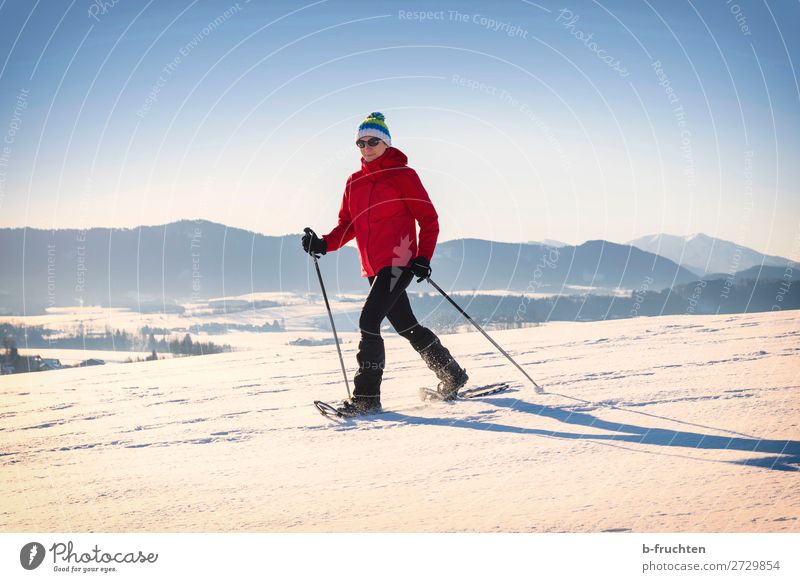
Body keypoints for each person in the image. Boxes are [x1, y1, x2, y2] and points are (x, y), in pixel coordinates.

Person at [302, 112, 468, 417]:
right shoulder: (353, 183)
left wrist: (423, 258)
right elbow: (347, 225)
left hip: (399, 261)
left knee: (368, 321)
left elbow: (428, 220)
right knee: (406, 325)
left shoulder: (403, 175)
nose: (366, 147)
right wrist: (323, 243)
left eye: (373, 141)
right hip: (373, 266)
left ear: (386, 142)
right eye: (361, 142)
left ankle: (366, 397)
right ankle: (452, 373)